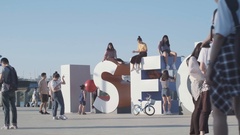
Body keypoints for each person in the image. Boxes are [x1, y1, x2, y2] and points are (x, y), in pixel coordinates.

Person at [207, 0, 240, 134]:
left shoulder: (226, 2)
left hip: (230, 55)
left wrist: (210, 66)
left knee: (218, 111)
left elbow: (219, 36)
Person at [187, 42, 210, 135]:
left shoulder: (199, 60)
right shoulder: (192, 59)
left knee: (199, 108)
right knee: (198, 108)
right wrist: (203, 76)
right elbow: (192, 71)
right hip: (197, 85)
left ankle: (195, 131)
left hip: (202, 84)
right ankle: (195, 131)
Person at [0, 57, 17, 129]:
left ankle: (6, 124)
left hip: (5, 90)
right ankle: (14, 124)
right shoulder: (13, 69)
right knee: (13, 107)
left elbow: (0, 79)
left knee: (6, 108)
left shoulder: (4, 69)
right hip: (12, 90)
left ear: (2, 63)